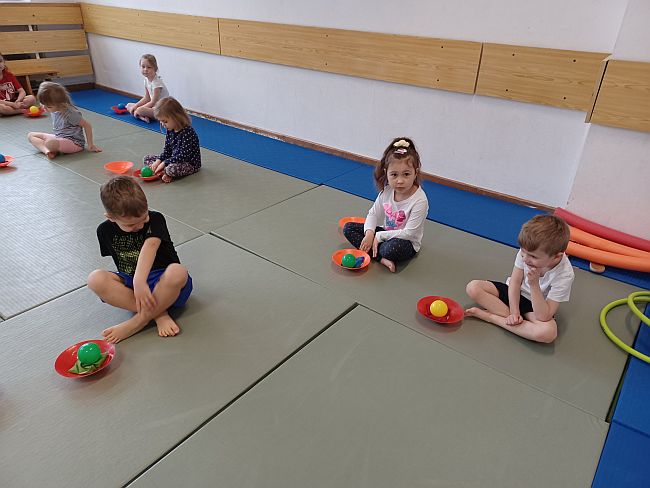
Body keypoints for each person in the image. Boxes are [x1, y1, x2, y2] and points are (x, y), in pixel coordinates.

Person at [87, 175, 193, 343]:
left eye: (144, 218)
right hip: (134, 290)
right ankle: (159, 313)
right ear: (111, 218)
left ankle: (139, 321)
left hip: (165, 284)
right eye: (130, 225)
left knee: (178, 271)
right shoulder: (104, 231)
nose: (140, 226)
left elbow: (150, 246)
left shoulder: (156, 219)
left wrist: (140, 281)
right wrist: (135, 283)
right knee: (95, 279)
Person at [465, 214, 575, 343]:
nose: (525, 259)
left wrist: (534, 284)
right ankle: (516, 321)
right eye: (523, 252)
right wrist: (514, 312)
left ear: (556, 257)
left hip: (536, 306)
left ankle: (491, 317)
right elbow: (515, 283)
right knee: (473, 288)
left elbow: (543, 316)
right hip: (513, 293)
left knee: (548, 333)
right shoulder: (527, 252)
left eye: (533, 257)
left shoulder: (565, 274)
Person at [343, 137, 429, 272]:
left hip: (405, 242)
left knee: (389, 249)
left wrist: (379, 236)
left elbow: (409, 233)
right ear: (386, 173)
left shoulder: (420, 200)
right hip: (386, 233)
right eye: (394, 175)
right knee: (348, 228)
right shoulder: (387, 191)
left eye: (406, 174)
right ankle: (380, 259)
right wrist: (369, 234)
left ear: (415, 173)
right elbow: (373, 214)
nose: (400, 181)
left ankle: (378, 253)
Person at [27, 81, 101, 158]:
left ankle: (52, 148)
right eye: (43, 104)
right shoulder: (54, 107)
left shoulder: (70, 114)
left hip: (74, 143)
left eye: (48, 107)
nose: (44, 108)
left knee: (50, 143)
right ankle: (47, 151)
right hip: (59, 138)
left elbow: (87, 125)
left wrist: (90, 144)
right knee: (31, 135)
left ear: (60, 104)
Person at [143, 97, 201, 183]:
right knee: (147, 158)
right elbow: (167, 151)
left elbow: (184, 156)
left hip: (189, 163)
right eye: (161, 121)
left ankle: (166, 172)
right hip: (172, 160)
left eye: (165, 121)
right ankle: (162, 171)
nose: (163, 124)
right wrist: (158, 161)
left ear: (176, 117)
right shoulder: (170, 130)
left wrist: (164, 163)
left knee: (171, 169)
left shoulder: (187, 132)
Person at [126, 54, 169, 123]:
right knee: (129, 105)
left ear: (155, 68)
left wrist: (139, 108)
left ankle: (141, 115)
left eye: (149, 67)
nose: (145, 69)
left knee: (139, 110)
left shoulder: (157, 83)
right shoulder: (146, 80)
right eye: (143, 67)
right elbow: (147, 98)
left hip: (161, 109)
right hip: (152, 106)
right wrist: (136, 106)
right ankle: (142, 116)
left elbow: (154, 102)